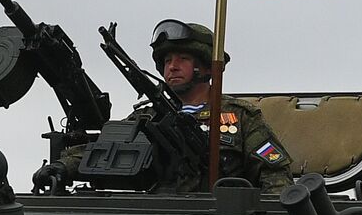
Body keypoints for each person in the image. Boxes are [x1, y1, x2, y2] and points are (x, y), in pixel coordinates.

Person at [34, 19, 294, 193]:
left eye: (183, 58)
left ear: (204, 66)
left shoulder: (239, 116)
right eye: (167, 60)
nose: (172, 66)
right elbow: (102, 149)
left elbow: (275, 175)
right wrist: (61, 166)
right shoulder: (147, 116)